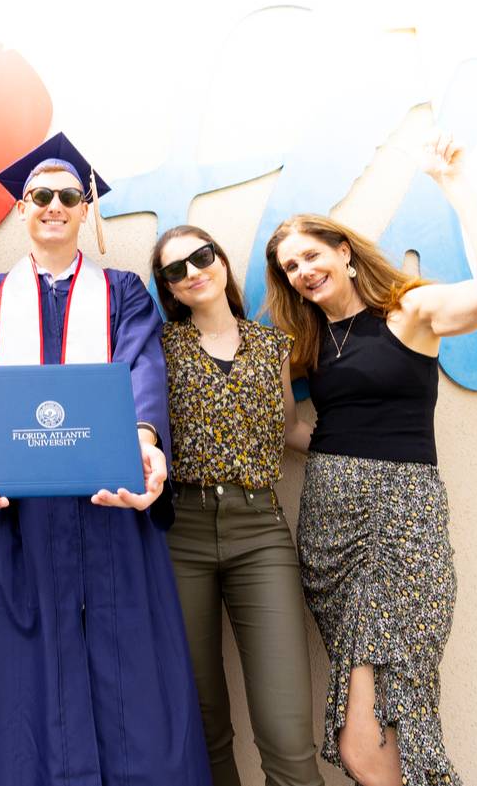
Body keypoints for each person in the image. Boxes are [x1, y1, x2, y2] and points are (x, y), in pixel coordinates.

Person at [0, 133, 210, 786]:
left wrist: (144, 443)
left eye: (68, 196)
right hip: (21, 515)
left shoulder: (124, 293)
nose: (54, 206)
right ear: (22, 208)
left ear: (85, 209)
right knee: (27, 683)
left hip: (111, 509)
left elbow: (143, 371)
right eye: (41, 196)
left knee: (133, 679)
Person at [263, 131, 477, 786]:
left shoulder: (409, 310)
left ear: (343, 251)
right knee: (382, 730)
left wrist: (452, 183)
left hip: (403, 524)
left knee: (376, 730)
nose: (302, 271)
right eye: (290, 267)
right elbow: (295, 428)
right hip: (331, 530)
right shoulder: (307, 341)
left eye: (310, 255)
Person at [152, 224, 324, 786]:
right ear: (169, 288)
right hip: (182, 532)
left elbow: (291, 430)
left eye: (201, 257)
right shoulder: (159, 348)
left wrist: (368, 441)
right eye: (175, 270)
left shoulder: (273, 346)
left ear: (221, 261)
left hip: (261, 533)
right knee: (202, 722)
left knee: (287, 729)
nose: (192, 272)